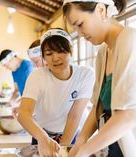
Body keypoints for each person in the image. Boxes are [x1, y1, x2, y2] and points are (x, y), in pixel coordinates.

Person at [63, 0, 136, 157]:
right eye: (75, 29)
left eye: (80, 24)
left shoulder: (131, 40)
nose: (80, 34)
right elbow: (98, 107)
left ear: (101, 10)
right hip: (112, 145)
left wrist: (85, 151)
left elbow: (129, 115)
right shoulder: (103, 53)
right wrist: (80, 141)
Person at [17, 28, 95, 157]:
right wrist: (43, 138)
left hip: (73, 134)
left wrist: (62, 149)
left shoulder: (85, 74)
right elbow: (23, 113)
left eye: (61, 51)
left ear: (70, 51)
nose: (55, 58)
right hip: (42, 134)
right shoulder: (37, 76)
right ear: (43, 57)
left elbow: (74, 116)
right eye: (49, 53)